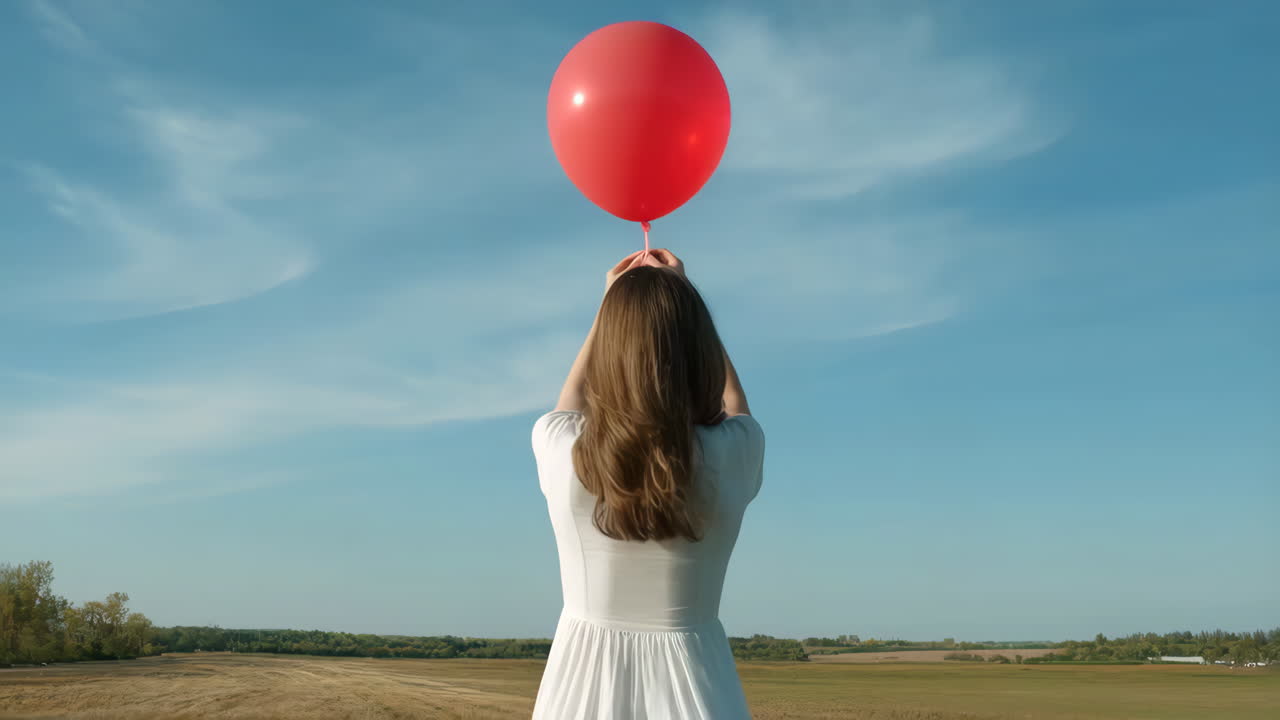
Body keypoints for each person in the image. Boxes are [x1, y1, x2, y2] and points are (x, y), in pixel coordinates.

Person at [530, 247, 765, 719]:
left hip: (581, 688)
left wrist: (611, 306)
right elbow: (736, 405)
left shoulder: (562, 448)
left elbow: (568, 405)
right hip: (700, 686)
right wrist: (682, 299)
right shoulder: (734, 451)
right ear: (698, 348)